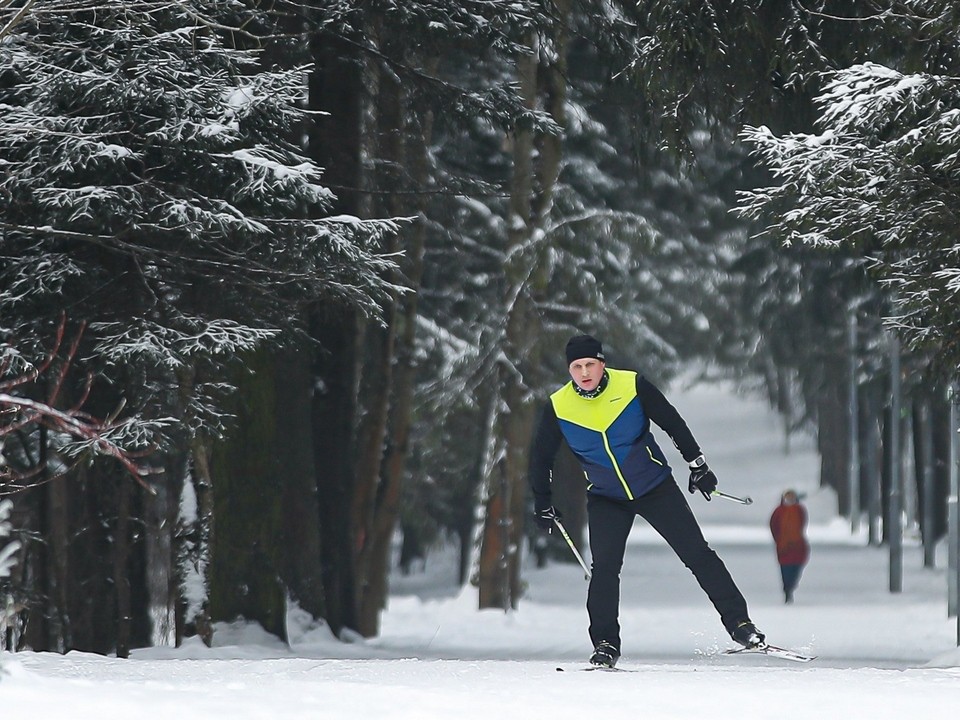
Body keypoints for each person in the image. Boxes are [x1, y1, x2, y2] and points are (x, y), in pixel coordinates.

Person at [528, 334, 765, 668]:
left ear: (602, 364)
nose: (584, 373)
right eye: (577, 367)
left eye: (590, 365)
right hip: (606, 497)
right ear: (570, 370)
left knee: (697, 554)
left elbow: (672, 422)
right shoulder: (559, 405)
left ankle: (740, 625)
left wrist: (697, 466)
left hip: (655, 487)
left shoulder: (632, 385)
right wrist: (541, 501)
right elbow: (541, 458)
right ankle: (606, 644)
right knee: (605, 570)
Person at [769, 490, 810, 603]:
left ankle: (791, 586)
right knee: (785, 570)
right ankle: (787, 589)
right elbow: (774, 525)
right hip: (784, 547)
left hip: (798, 546)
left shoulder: (799, 510)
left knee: (796, 569)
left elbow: (802, 523)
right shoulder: (779, 511)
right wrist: (779, 539)